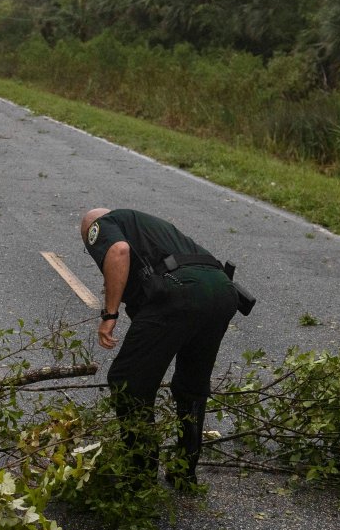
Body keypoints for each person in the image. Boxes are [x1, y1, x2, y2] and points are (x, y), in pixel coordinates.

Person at [80, 208, 238, 487]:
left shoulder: (101, 225)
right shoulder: (146, 226)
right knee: (191, 386)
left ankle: (139, 473)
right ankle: (184, 472)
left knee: (127, 381)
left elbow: (117, 252)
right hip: (223, 291)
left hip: (181, 291)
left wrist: (109, 315)